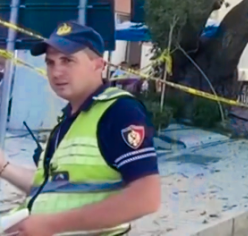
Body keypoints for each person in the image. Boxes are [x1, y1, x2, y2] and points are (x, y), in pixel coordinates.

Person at [0, 21, 161, 235]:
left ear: (98, 65)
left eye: (67, 61)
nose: (56, 72)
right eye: (50, 62)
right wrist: (4, 167)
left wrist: (51, 225)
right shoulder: (69, 120)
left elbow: (146, 198)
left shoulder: (118, 111)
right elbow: (53, 189)